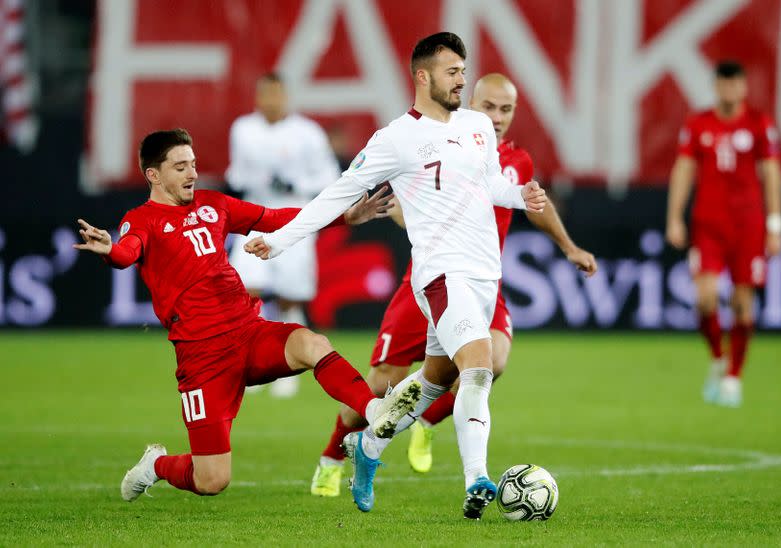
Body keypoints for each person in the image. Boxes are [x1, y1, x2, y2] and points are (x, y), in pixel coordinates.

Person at [245, 33, 549, 519]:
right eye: (453, 72)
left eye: (463, 70)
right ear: (423, 76)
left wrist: (519, 197)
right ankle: (477, 481)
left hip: (484, 278)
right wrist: (280, 239)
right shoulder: (395, 139)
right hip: (439, 276)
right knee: (479, 364)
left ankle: (367, 447)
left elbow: (489, 181)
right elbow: (336, 194)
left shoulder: (476, 126)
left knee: (431, 382)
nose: (462, 80)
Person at [73, 128, 421, 502]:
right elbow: (127, 252)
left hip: (248, 332)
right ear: (153, 175)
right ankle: (156, 466)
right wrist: (110, 251)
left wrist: (343, 217)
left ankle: (376, 410)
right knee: (212, 480)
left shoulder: (212, 203)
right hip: (202, 358)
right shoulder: (142, 219)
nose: (191, 174)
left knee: (311, 343)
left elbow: (273, 217)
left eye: (192, 164)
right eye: (179, 167)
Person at [309, 73, 597, 496]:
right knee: (379, 384)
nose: (497, 118)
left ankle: (422, 431)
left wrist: (568, 247)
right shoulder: (436, 144)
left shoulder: (517, 162)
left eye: (506, 109)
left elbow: (533, 203)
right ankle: (334, 457)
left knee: (478, 367)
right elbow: (399, 201)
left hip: (482, 282)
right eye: (488, 107)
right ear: (468, 103)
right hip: (432, 280)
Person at [666, 60, 781, 407]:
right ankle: (719, 358)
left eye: (735, 85)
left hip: (748, 226)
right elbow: (683, 170)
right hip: (709, 224)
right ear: (716, 87)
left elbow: (773, 175)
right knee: (705, 298)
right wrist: (675, 217)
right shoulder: (698, 123)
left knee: (743, 304)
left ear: (743, 87)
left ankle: (734, 376)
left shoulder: (760, 124)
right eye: (724, 84)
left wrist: (775, 224)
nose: (730, 91)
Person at [226, 73, 342, 398]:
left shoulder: (308, 133)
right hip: (255, 215)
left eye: (277, 95)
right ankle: (249, 361)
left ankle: (287, 366)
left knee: (290, 295)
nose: (272, 102)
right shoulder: (243, 129)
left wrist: (296, 186)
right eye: (266, 95)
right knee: (247, 289)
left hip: (295, 220)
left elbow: (329, 176)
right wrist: (260, 179)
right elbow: (235, 172)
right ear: (258, 98)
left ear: (285, 97)